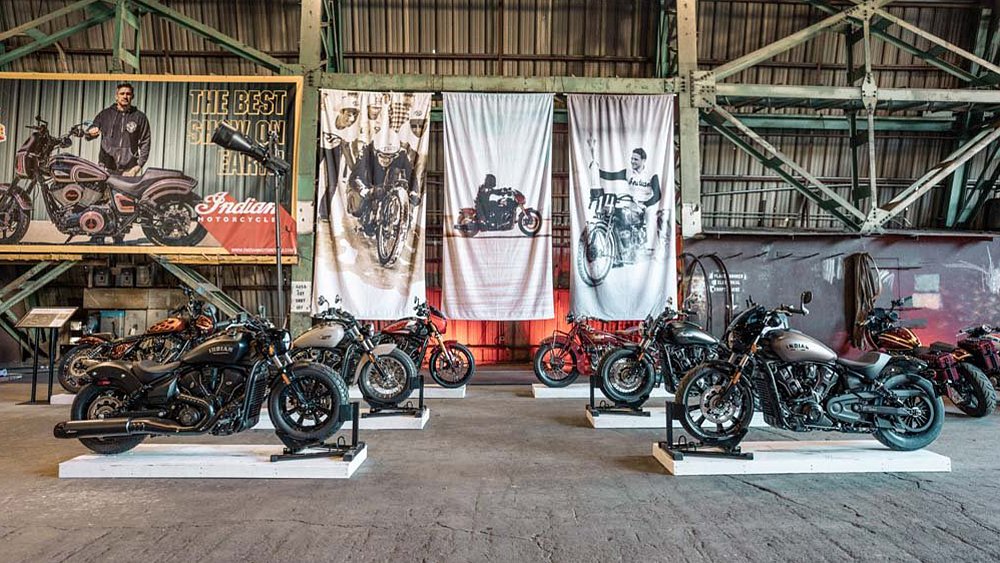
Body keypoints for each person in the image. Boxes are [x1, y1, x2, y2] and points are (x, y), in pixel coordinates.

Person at [599, 147, 661, 254]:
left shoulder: (651, 174)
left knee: (650, 215)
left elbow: (658, 195)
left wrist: (645, 204)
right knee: (618, 215)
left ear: (643, 160)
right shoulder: (628, 172)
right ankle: (622, 247)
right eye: (632, 159)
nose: (632, 161)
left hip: (647, 204)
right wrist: (597, 170)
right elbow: (611, 175)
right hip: (632, 203)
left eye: (636, 159)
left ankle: (651, 247)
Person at [85, 82, 151, 177]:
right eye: (122, 93)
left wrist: (137, 167)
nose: (125, 96)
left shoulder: (139, 117)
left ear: (132, 96)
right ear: (116, 96)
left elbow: (145, 142)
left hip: (128, 171)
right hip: (105, 169)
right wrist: (90, 133)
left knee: (123, 193)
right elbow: (90, 132)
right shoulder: (105, 115)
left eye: (128, 94)